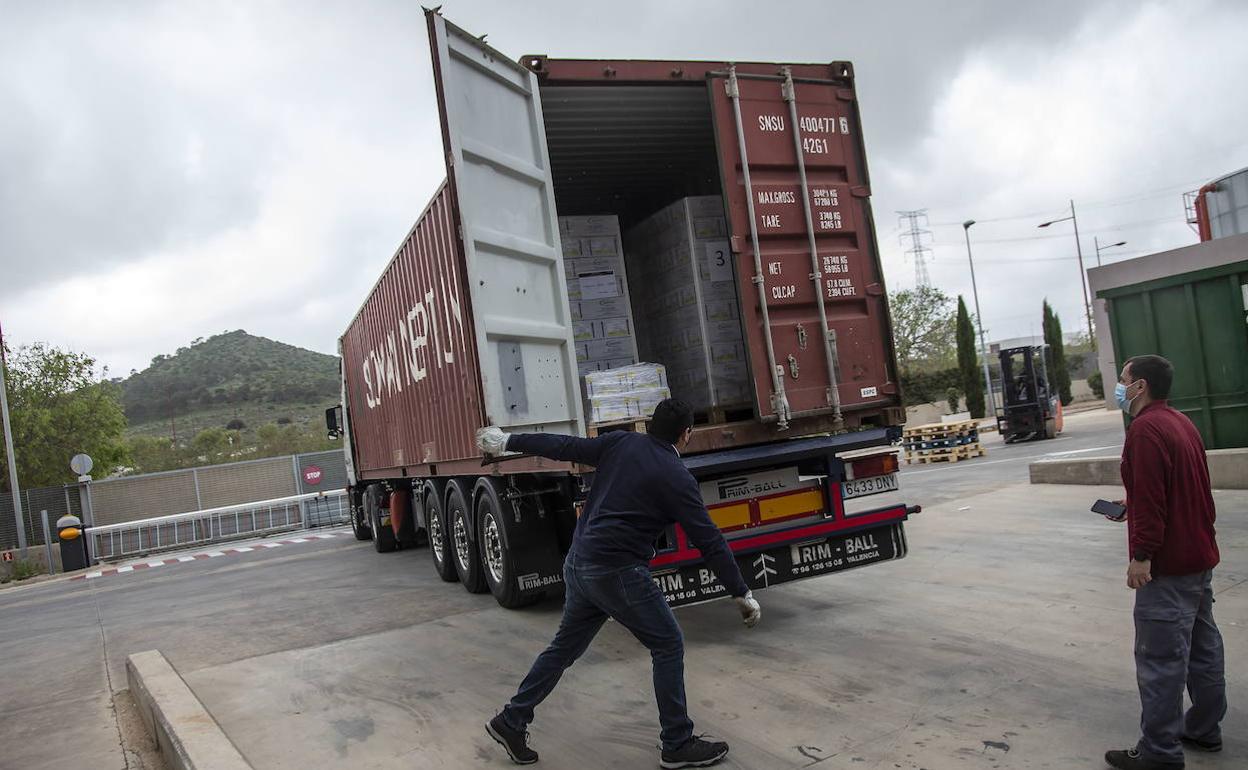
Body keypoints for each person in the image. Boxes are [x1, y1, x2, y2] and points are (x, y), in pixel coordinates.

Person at [475, 398, 761, 768]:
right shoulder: (677, 477)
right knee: (668, 642)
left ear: (648, 425)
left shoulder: (621, 442)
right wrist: (741, 592)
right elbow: (709, 541)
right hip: (616, 570)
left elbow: (563, 446)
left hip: (579, 563)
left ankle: (512, 720)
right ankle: (676, 742)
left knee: (564, 648)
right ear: (686, 434)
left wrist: (509, 441)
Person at [1102, 355, 1225, 770]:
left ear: (1140, 386)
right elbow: (1181, 489)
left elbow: (1155, 504)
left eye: (1123, 379)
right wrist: (1132, 504)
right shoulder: (1180, 423)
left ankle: (1159, 752)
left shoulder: (1145, 431)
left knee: (1160, 663)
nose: (1119, 387)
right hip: (1198, 557)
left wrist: (1141, 556)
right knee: (1204, 651)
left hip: (1167, 567)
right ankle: (1205, 728)